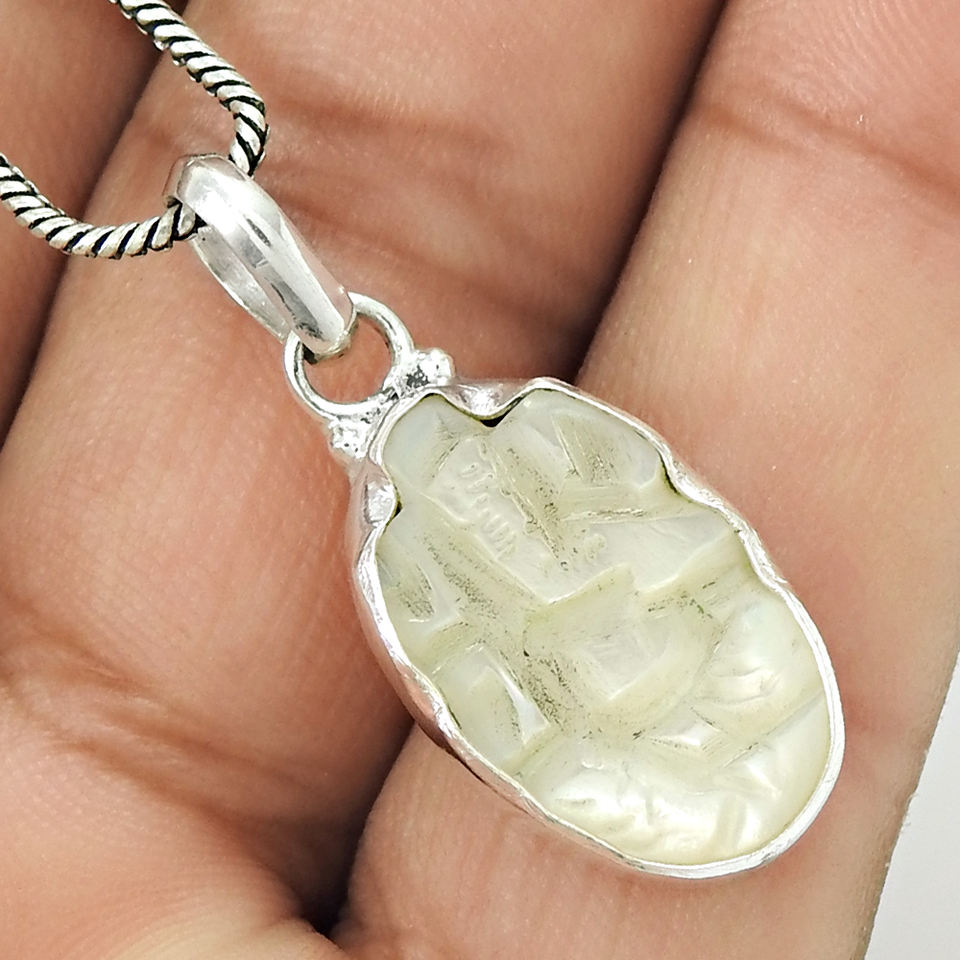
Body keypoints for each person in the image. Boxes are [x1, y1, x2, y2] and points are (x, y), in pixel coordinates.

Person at [0, 0, 955, 957]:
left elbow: (681, 534)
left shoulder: (583, 502)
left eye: (476, 481)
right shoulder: (426, 579)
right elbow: (496, 693)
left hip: (704, 707)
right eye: (458, 496)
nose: (483, 501)